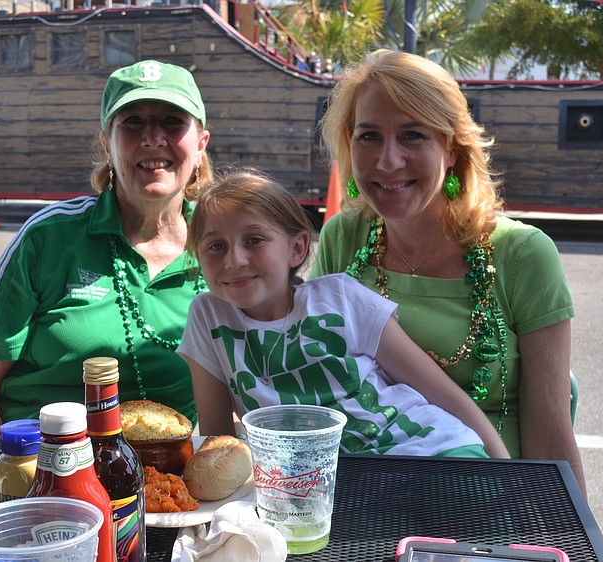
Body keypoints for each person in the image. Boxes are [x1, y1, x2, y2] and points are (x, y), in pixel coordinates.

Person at [311, 49, 586, 491]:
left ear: (453, 149)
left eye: (413, 135)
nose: (387, 161)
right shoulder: (343, 237)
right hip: (362, 496)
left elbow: (551, 437)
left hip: (488, 500)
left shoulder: (522, 255)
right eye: (368, 137)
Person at [0, 60, 212, 437]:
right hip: (47, 467)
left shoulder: (221, 244)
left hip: (174, 477)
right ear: (107, 143)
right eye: (132, 121)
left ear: (200, 145)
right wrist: (2, 474)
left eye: (172, 122)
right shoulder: (48, 236)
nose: (153, 137)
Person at [176, 170, 510, 458]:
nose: (234, 260)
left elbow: (443, 393)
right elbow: (219, 443)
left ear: (297, 248)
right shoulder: (208, 316)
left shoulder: (341, 297)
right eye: (216, 246)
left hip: (429, 449)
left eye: (254, 240)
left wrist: (510, 474)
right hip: (322, 482)